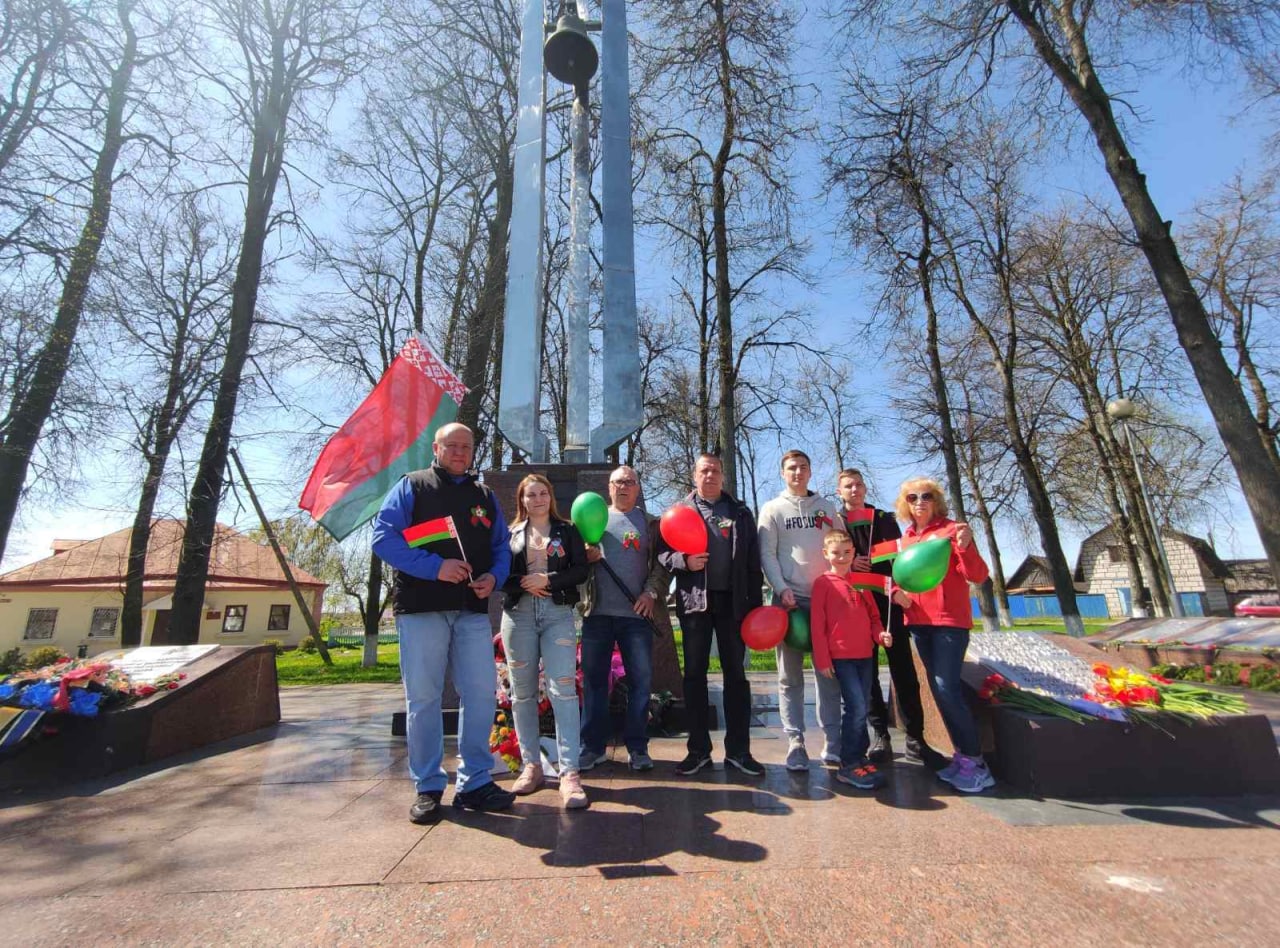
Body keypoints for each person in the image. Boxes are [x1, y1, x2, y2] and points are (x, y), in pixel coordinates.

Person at [372, 423, 516, 823]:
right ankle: (429, 785)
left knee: (482, 693)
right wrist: (437, 567)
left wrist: (495, 577)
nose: (458, 452)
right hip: (422, 609)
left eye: (465, 447)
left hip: (471, 610)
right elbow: (384, 538)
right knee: (424, 699)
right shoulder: (412, 486)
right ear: (436, 448)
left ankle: (474, 781)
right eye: (451, 445)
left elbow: (501, 547)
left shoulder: (484, 496)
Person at [658, 452, 765, 776]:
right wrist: (684, 562)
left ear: (722, 476)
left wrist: (755, 608)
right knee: (694, 677)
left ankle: (739, 751)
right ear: (694, 476)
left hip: (734, 605)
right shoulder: (679, 512)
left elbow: (752, 562)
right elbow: (662, 554)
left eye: (715, 471)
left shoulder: (740, 512)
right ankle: (698, 751)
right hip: (695, 603)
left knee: (736, 676)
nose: (710, 476)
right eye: (704, 471)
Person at [894, 477, 995, 794]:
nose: (919, 502)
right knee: (940, 693)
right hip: (919, 623)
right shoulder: (907, 537)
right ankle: (962, 758)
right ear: (905, 504)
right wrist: (897, 592)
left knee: (945, 687)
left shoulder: (953, 531)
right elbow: (903, 575)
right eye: (912, 497)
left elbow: (978, 575)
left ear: (936, 500)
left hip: (950, 623)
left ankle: (978, 765)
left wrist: (965, 547)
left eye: (926, 496)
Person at [501, 474, 589, 809]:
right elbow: (499, 575)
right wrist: (525, 582)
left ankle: (569, 773)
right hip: (518, 616)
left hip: (557, 615)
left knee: (563, 690)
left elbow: (581, 570)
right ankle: (532, 766)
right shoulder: (509, 534)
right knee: (522, 693)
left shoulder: (567, 530)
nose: (537, 499)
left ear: (550, 497)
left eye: (542, 493)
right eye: (530, 494)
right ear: (521, 500)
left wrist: (548, 580)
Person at [757, 450, 846, 771]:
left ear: (810, 472)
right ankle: (795, 743)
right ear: (783, 473)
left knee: (828, 674)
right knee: (789, 678)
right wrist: (781, 589)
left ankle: (833, 743)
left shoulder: (826, 508)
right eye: (792, 468)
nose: (797, 472)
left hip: (826, 603)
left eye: (803, 467)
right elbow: (766, 554)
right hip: (788, 602)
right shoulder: (772, 509)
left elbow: (841, 546)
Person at [835, 468, 931, 764]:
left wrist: (898, 588)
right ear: (840, 492)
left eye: (859, 485)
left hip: (889, 602)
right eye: (848, 486)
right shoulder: (835, 522)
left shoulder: (885, 520)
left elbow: (902, 559)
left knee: (903, 670)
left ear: (865, 488)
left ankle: (916, 737)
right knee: (868, 676)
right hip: (857, 607)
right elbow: (832, 558)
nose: (854, 490)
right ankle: (880, 735)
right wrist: (852, 564)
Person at [580, 465, 670, 772]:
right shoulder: (593, 518)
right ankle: (592, 748)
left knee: (641, 684)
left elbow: (661, 565)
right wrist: (584, 555)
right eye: (618, 482)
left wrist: (651, 594)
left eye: (630, 482)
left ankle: (637, 747)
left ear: (638, 488)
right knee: (593, 684)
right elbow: (571, 560)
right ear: (609, 487)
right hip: (597, 615)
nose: (623, 487)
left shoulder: (650, 524)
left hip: (636, 616)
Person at [810, 529, 892, 789]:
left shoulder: (861, 581)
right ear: (826, 554)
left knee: (862, 707)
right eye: (836, 553)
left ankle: (860, 756)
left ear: (854, 553)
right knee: (855, 708)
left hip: (865, 655)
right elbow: (817, 625)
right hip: (841, 657)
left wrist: (881, 635)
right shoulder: (823, 583)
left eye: (847, 552)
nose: (842, 557)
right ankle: (848, 764)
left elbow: (874, 617)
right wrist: (822, 659)